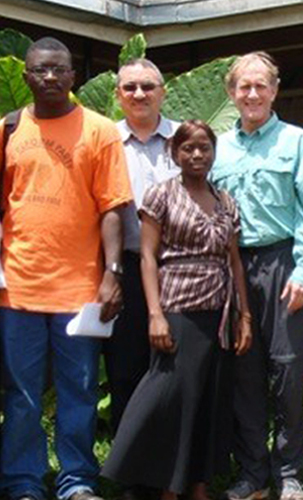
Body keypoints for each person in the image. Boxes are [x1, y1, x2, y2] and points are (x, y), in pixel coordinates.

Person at [0, 37, 131, 500]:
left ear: (73, 77)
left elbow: (113, 207)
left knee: (78, 393)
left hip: (79, 290)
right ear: (26, 77)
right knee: (22, 395)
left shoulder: (99, 130)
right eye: (40, 70)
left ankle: (76, 481)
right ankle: (23, 482)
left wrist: (112, 272)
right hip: (17, 290)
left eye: (59, 70)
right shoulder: (8, 130)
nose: (50, 77)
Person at [102, 120, 252, 500]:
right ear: (174, 153)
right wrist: (154, 313)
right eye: (188, 148)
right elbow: (148, 258)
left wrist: (244, 316)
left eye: (204, 147)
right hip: (177, 308)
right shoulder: (161, 196)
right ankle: (164, 483)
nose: (197, 155)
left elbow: (233, 260)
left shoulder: (225, 200)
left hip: (218, 312)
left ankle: (198, 483)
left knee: (207, 399)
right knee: (172, 397)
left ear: (213, 152)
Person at [211, 51, 303, 500]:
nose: (252, 93)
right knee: (244, 375)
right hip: (235, 270)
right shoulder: (218, 148)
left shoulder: (295, 141)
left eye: (261, 85)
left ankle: (290, 473)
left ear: (275, 90)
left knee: (287, 373)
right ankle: (252, 474)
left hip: (284, 265)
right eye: (244, 86)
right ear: (231, 93)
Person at [103, 58, 180, 437]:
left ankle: (175, 474)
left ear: (163, 92)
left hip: (182, 273)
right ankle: (131, 475)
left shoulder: (186, 140)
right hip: (126, 271)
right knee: (126, 370)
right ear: (118, 96)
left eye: (148, 86)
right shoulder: (104, 142)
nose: (139, 94)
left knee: (178, 371)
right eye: (130, 87)